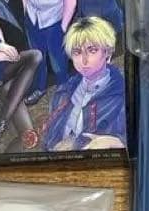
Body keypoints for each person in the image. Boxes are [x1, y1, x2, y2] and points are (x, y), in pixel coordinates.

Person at [42, 17, 126, 151]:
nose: (84, 60)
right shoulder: (62, 92)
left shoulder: (124, 94)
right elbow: (48, 140)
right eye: (77, 52)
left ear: (108, 52)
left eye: (92, 50)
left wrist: (118, 142)